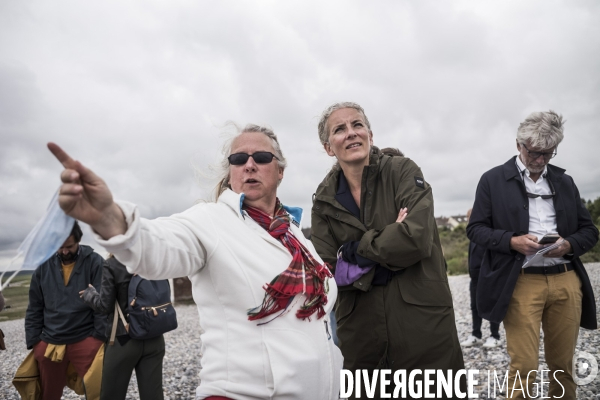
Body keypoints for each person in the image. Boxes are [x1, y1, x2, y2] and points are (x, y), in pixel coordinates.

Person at [47, 124, 342, 400]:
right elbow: (158, 245)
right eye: (239, 159)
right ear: (231, 173)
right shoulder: (211, 221)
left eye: (262, 157)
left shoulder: (293, 233)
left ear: (280, 171)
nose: (249, 164)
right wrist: (109, 218)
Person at [311, 102, 465, 397]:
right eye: (339, 129)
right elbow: (329, 270)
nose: (351, 133)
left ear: (369, 132)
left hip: (421, 321)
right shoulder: (323, 201)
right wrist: (388, 239)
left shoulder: (403, 171)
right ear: (328, 147)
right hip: (360, 330)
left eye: (357, 125)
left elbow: (415, 238)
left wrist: (356, 250)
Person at [467, 110, 598, 399]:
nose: (540, 161)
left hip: (566, 280)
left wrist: (569, 244)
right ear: (519, 145)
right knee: (524, 366)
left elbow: (590, 231)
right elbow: (475, 230)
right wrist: (512, 241)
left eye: (547, 154)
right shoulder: (492, 180)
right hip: (521, 281)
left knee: (563, 367)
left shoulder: (565, 183)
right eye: (534, 153)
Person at [24, 221, 106, 400]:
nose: (65, 251)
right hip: (50, 342)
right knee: (48, 394)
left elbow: (103, 303)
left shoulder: (95, 262)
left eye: (69, 246)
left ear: (79, 240)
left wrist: (98, 338)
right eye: (60, 247)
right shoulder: (43, 266)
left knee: (98, 392)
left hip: (86, 338)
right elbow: (34, 308)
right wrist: (35, 342)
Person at [79, 255, 165, 400]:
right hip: (154, 337)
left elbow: (104, 306)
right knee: (153, 396)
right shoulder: (153, 258)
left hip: (124, 339)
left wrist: (90, 294)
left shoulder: (113, 263)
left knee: (111, 395)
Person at [460, 208, 501, 348]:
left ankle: (495, 336)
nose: (468, 221)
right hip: (475, 277)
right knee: (475, 306)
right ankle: (476, 335)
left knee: (492, 305)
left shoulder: (488, 234)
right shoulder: (472, 236)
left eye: (470, 218)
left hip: (489, 277)